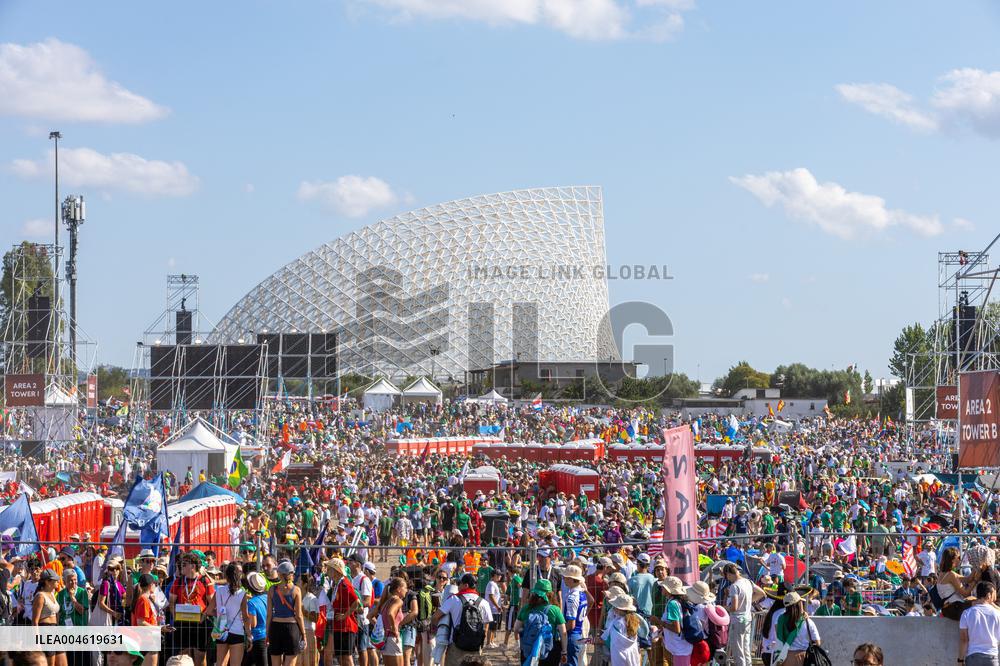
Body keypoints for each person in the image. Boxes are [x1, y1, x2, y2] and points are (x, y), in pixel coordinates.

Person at [433, 573, 493, 666]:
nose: (458, 586)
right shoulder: (484, 602)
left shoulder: (453, 599)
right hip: (475, 647)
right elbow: (486, 626)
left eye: (460, 583)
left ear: (466, 585)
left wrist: (441, 630)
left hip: (456, 646)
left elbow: (436, 617)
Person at [169, 553, 214, 666]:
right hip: (182, 623)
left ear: (193, 566)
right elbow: (171, 602)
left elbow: (213, 602)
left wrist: (204, 616)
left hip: (200, 624)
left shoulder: (205, 581)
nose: (181, 566)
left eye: (184, 564)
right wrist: (175, 616)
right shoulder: (178, 581)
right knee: (184, 658)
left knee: (200, 658)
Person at [513, 579, 566, 666]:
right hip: (550, 649)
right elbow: (563, 633)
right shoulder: (555, 610)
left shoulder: (526, 608)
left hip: (529, 647)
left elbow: (516, 629)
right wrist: (564, 651)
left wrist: (521, 644)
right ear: (550, 594)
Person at [320, 559, 361, 666]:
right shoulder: (337, 584)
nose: (327, 571)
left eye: (329, 569)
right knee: (341, 657)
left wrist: (344, 616)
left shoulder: (344, 584)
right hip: (339, 626)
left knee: (346, 657)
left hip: (346, 626)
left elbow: (356, 602)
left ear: (336, 570)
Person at [267, 560, 305, 666]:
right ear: (291, 574)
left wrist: (267, 633)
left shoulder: (271, 589)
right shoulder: (296, 590)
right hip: (291, 628)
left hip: (275, 627)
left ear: (279, 574)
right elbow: (299, 615)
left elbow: (269, 614)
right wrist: (304, 634)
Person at [210, 562, 247, 666]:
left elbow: (209, 611)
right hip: (237, 631)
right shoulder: (242, 593)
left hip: (221, 629)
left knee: (220, 663)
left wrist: (219, 615)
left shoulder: (219, 591)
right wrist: (249, 634)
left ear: (226, 576)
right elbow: (245, 616)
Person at [771, 592, 819, 666]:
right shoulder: (807, 621)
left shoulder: (780, 619)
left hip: (785, 658)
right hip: (804, 658)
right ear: (798, 604)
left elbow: (779, 637)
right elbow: (817, 642)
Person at [959, 581, 1000, 666]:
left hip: (973, 656)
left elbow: (964, 640)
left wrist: (960, 660)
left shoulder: (967, 613)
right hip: (991, 657)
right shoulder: (997, 614)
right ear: (989, 595)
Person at [655, 577, 692, 666]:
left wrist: (659, 621)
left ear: (668, 590)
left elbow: (677, 629)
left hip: (679, 648)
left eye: (663, 587)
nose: (661, 588)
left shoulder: (672, 604)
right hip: (682, 646)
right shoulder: (677, 601)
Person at [34, 569, 67, 666]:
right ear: (47, 582)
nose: (58, 582)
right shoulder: (40, 596)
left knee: (62, 663)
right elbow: (35, 621)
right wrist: (37, 642)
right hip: (45, 631)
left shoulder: (52, 594)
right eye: (55, 580)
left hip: (55, 630)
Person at [723, 563, 753, 666]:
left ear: (728, 574)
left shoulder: (734, 586)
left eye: (726, 576)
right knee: (745, 648)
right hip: (747, 618)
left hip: (738, 620)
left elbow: (734, 607)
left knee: (737, 650)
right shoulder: (747, 582)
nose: (727, 579)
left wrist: (723, 608)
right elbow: (761, 593)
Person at [600, 591, 640, 666]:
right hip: (632, 655)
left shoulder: (617, 623)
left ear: (619, 609)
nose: (613, 608)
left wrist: (598, 641)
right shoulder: (634, 619)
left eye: (615, 607)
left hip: (620, 657)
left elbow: (612, 640)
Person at [561, 565, 589, 666]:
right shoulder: (582, 594)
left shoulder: (572, 597)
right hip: (579, 634)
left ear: (572, 580)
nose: (563, 579)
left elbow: (571, 624)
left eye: (566, 577)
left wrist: (559, 631)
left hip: (572, 636)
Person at [377, 577, 407, 666]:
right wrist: (395, 630)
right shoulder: (398, 600)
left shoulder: (387, 601)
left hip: (385, 638)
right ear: (398, 589)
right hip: (393, 638)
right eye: (405, 587)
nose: (406, 590)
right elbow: (390, 613)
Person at [244, 572, 269, 666]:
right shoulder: (267, 597)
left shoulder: (251, 603)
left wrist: (245, 621)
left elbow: (253, 624)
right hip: (268, 635)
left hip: (257, 638)